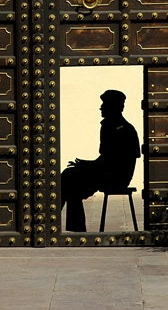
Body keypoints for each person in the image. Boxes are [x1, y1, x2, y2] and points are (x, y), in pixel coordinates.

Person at [60, 89, 141, 232]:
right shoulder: (117, 126)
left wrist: (87, 166)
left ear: (113, 107)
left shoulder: (119, 129)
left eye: (104, 104)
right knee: (71, 181)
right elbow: (107, 159)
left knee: (69, 177)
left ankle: (71, 227)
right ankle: (76, 229)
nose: (101, 107)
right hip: (110, 173)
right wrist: (87, 164)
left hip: (115, 177)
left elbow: (111, 162)